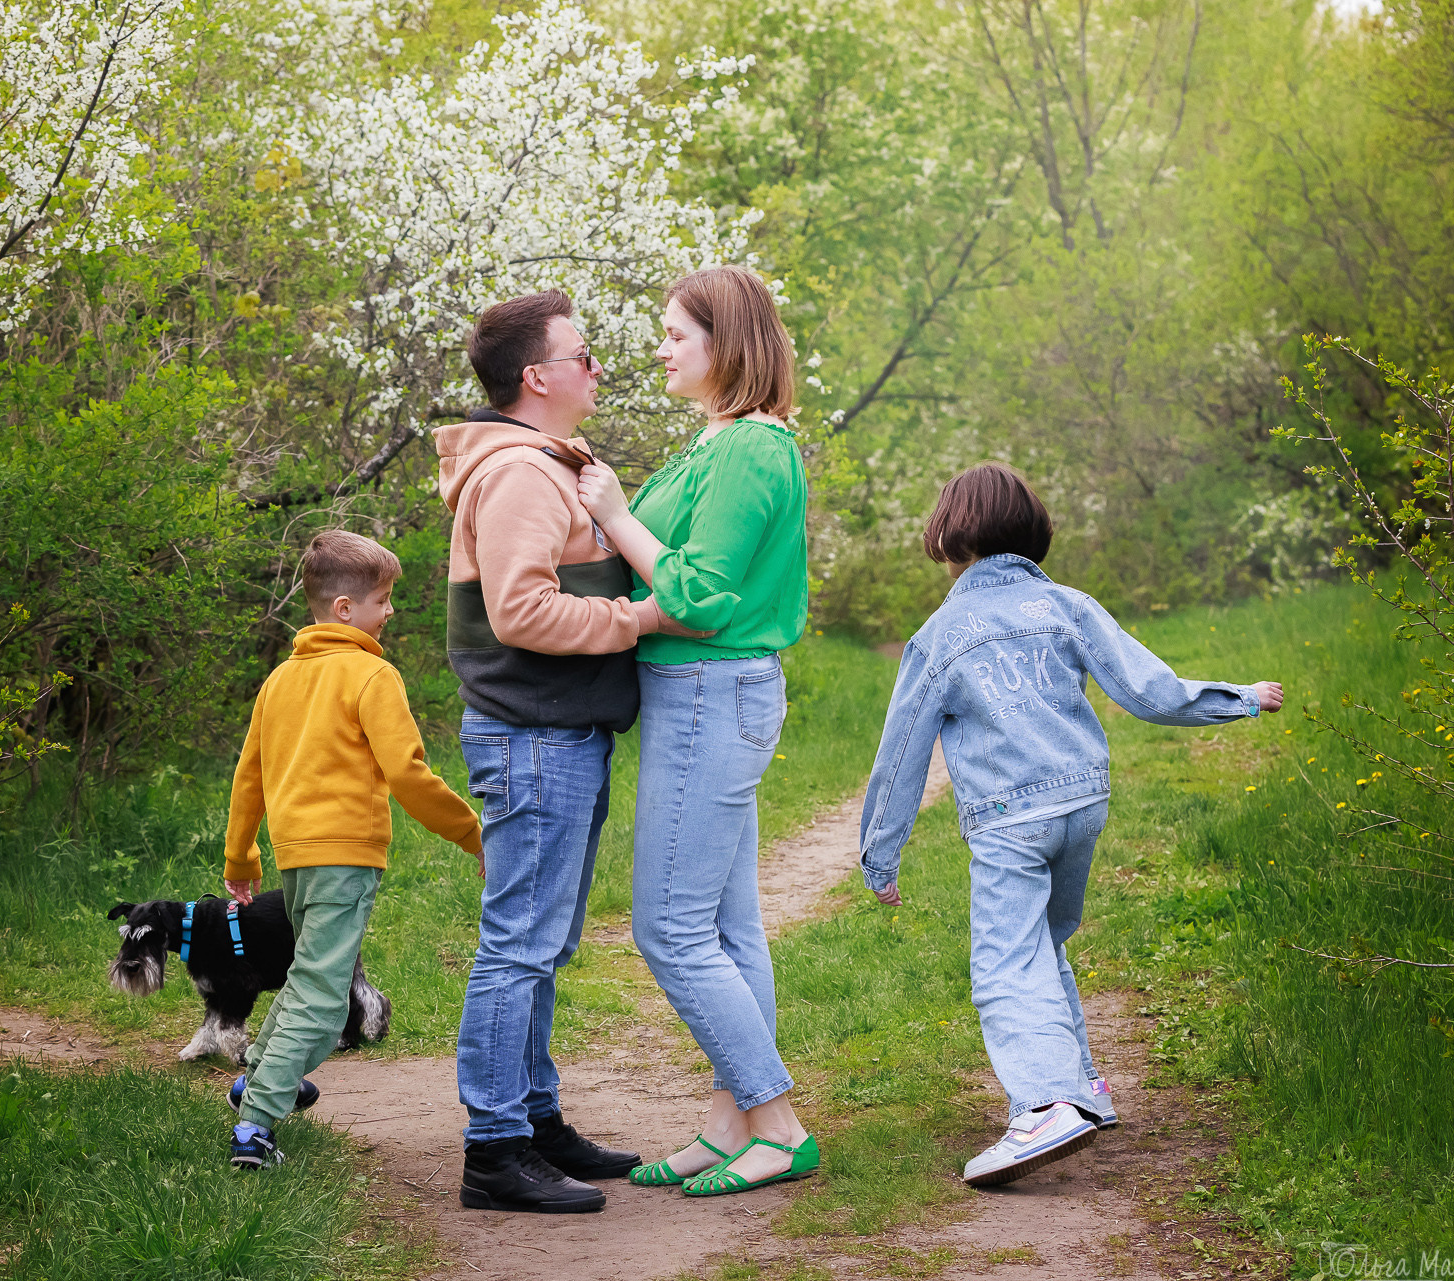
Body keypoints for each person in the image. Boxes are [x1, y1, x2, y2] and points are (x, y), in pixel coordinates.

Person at [857, 462, 1284, 1187]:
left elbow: (901, 753)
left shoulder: (940, 634)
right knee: (1043, 940)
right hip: (1083, 804)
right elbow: (1146, 688)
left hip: (1008, 820)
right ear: (1032, 527)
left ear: (948, 534)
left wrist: (880, 852)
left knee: (1005, 962)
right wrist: (1236, 698)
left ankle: (1047, 1103)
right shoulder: (1067, 605)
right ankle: (1084, 1089)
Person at [437, 290, 706, 1213]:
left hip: (558, 732)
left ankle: (535, 1119)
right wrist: (639, 616)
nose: (598, 367)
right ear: (536, 377)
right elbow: (519, 609)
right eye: (582, 355)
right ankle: (494, 1148)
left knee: (540, 944)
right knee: (518, 945)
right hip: (533, 734)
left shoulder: (549, 462)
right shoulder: (517, 473)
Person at [573, 265, 818, 1198]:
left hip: (711, 690)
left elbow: (704, 598)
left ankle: (780, 1122)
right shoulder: (713, 445)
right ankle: (729, 1125)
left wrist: (619, 515)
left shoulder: (752, 449)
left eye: (677, 333)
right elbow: (662, 569)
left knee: (670, 928)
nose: (663, 348)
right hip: (701, 696)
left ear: (729, 344)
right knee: (726, 924)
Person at [219, 530, 484, 1170]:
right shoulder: (372, 673)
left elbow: (248, 775)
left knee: (310, 972)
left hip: (296, 858)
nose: (390, 611)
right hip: (345, 858)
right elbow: (409, 772)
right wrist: (475, 833)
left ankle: (257, 1077)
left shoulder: (280, 680)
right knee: (325, 993)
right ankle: (255, 1126)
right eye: (384, 600)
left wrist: (241, 860)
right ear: (345, 609)